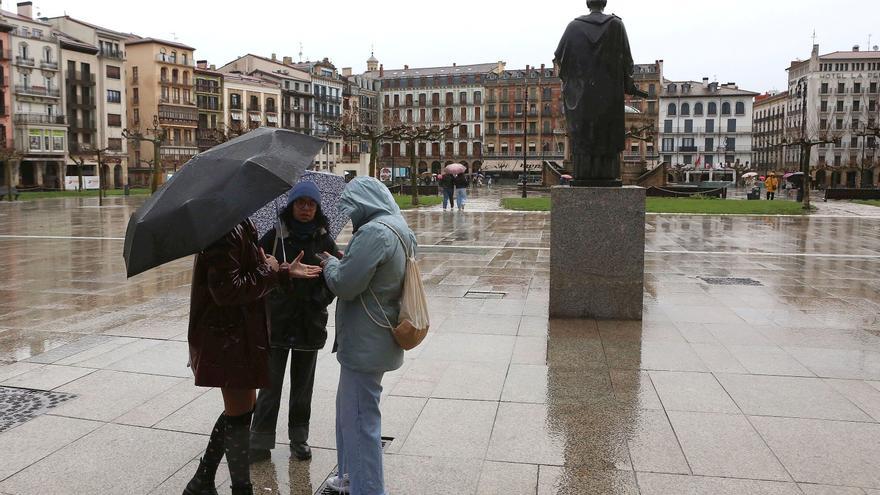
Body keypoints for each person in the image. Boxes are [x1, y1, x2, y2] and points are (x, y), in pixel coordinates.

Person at [184, 219, 322, 495]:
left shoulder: (238, 224)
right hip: (227, 338)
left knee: (242, 411)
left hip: (240, 335)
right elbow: (227, 290)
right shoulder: (223, 232)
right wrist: (270, 270)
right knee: (239, 415)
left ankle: (203, 480)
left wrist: (281, 271)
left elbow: (248, 274)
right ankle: (238, 488)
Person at [321, 177, 415, 495]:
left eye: (353, 208)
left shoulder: (374, 232)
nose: (351, 216)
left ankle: (368, 489)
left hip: (366, 339)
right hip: (377, 336)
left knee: (360, 420)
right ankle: (350, 475)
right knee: (350, 412)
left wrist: (331, 265)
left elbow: (347, 284)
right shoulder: (399, 226)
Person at [249, 182, 340, 463]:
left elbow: (335, 276)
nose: (305, 208)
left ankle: (299, 438)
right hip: (277, 320)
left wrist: (320, 298)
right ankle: (260, 440)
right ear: (291, 206)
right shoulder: (274, 236)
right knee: (270, 386)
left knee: (303, 386)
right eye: (300, 203)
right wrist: (276, 274)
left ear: (317, 208)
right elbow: (255, 269)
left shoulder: (324, 239)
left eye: (310, 204)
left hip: (309, 322)